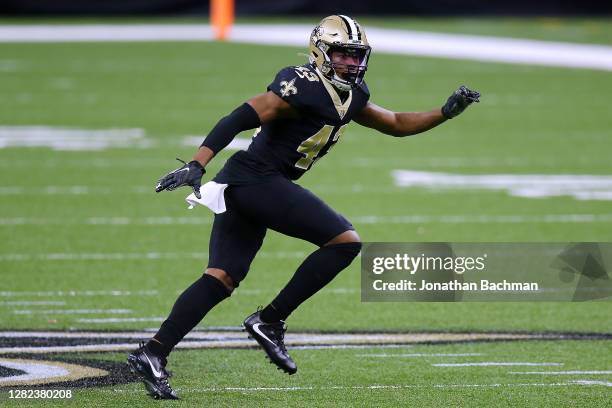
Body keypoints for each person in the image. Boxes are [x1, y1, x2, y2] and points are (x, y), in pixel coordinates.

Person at [127, 14, 480, 400]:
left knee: (222, 278)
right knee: (345, 242)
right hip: (256, 179)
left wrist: (444, 113)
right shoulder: (302, 84)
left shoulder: (353, 93)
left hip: (246, 184)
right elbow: (240, 116)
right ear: (321, 52)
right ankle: (270, 320)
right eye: (342, 54)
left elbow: (394, 122)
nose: (351, 62)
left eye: (356, 55)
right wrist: (198, 161)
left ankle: (153, 353)